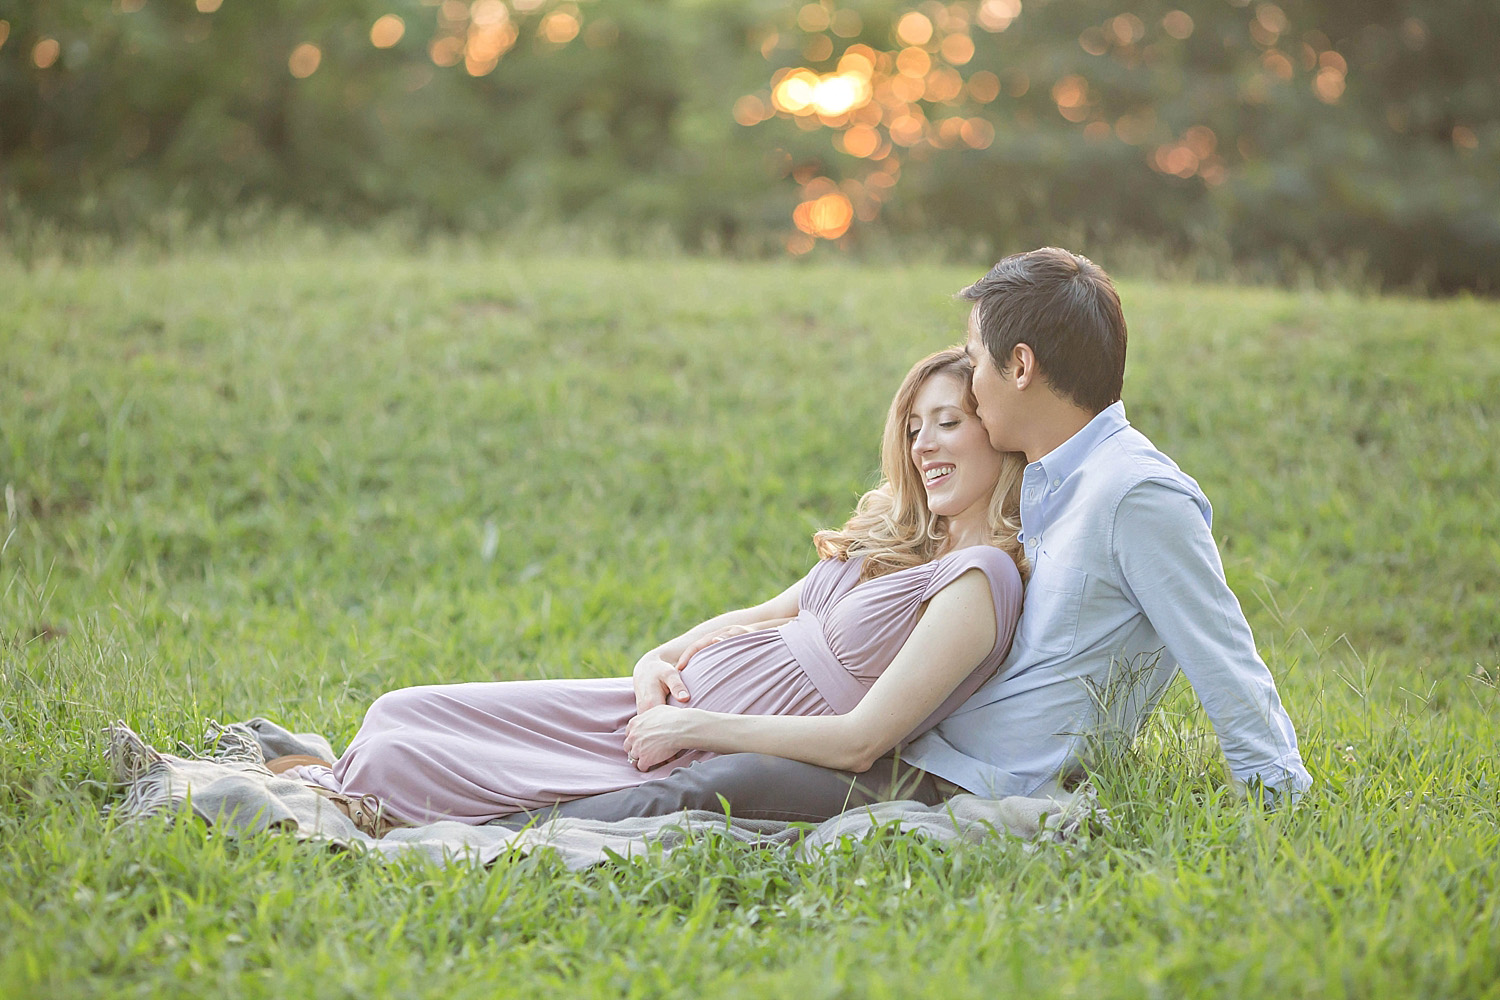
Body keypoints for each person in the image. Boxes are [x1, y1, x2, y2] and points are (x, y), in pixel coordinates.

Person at [541, 247, 1311, 825]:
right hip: (921, 748)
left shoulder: (1136, 494)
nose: (966, 387)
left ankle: (495, 843)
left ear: (1019, 365)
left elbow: (1224, 659)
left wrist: (1279, 805)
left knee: (711, 788)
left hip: (969, 780)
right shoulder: (1043, 482)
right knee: (690, 772)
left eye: (973, 365)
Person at [290, 349, 1027, 826]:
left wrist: (691, 729)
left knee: (399, 761)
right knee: (398, 709)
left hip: (703, 742)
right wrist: (658, 660)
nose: (923, 444)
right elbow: (771, 613)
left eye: (948, 423)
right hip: (659, 710)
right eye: (912, 428)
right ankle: (339, 785)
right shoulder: (901, 537)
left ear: (995, 433)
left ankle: (345, 797)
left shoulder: (978, 577)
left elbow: (861, 740)